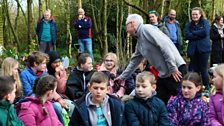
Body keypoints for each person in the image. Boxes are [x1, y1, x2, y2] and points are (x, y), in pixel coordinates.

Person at [116, 14, 186, 104]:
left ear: (132, 24)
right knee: (158, 102)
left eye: (126, 26)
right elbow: (134, 62)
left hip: (175, 70)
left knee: (183, 99)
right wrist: (122, 77)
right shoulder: (140, 42)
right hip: (164, 74)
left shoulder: (146, 29)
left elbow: (165, 46)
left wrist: (172, 67)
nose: (126, 30)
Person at [184, 7, 211, 90]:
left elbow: (205, 32)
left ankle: (207, 87)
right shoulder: (189, 24)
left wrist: (193, 33)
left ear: (200, 14)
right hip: (193, 50)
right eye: (193, 14)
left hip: (203, 50)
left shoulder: (205, 22)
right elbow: (187, 35)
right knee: (194, 70)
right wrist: (198, 33)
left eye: (196, 14)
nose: (194, 16)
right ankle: (195, 87)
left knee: (204, 69)